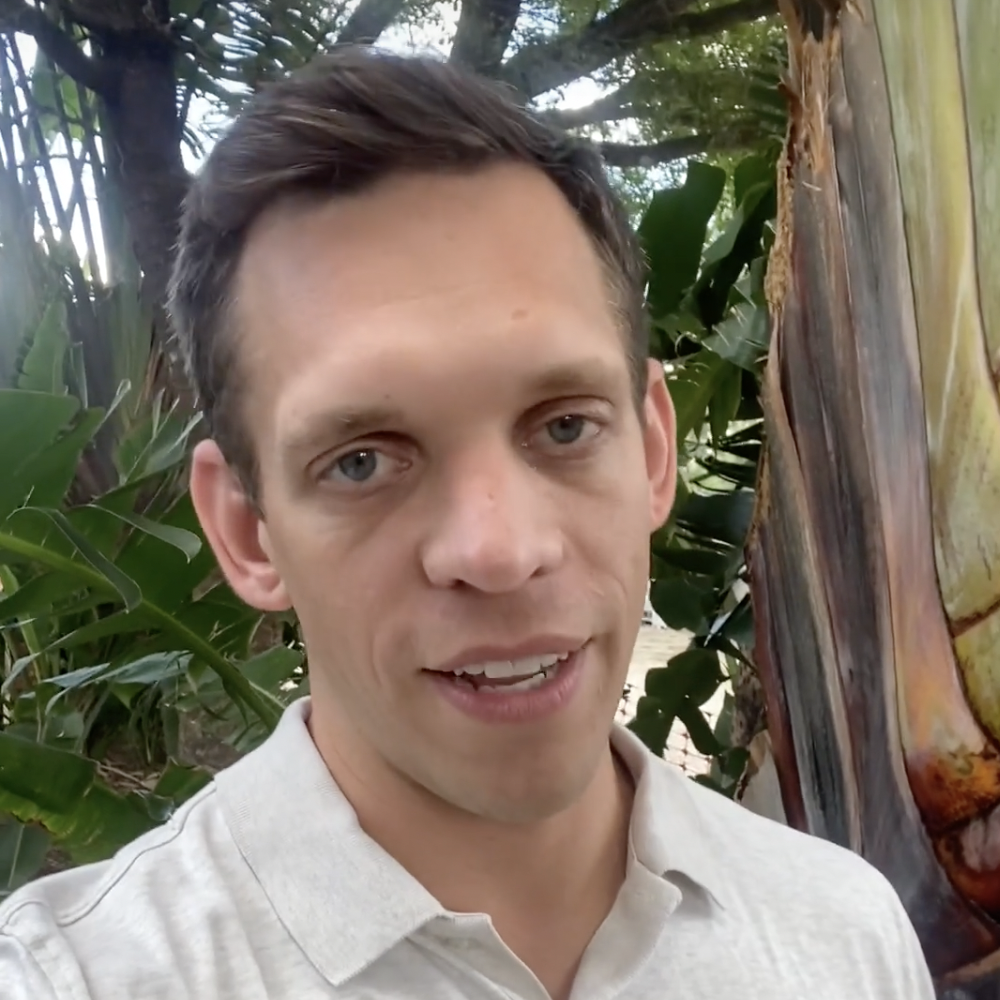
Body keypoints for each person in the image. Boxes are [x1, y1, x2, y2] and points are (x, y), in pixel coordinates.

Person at [0, 46, 936, 1000]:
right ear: (247, 531)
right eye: (361, 461)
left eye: (564, 427)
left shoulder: (843, 939)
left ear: (655, 451)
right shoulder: (75, 981)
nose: (499, 551)